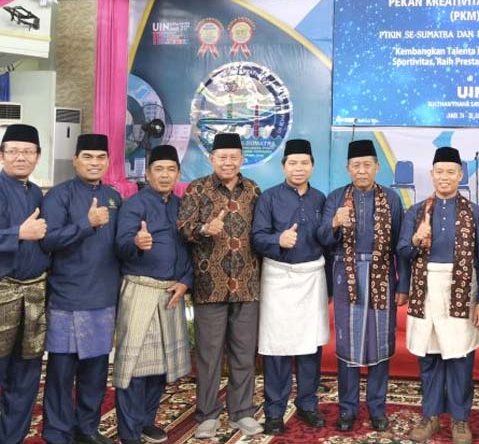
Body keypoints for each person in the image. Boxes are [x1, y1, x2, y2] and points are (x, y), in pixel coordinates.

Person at [398, 146, 479, 444]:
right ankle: (431, 416)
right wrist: (416, 239)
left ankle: (460, 420)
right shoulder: (416, 212)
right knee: (429, 356)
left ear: (461, 175)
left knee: (460, 357)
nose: (445, 177)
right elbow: (403, 252)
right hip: (426, 289)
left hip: (463, 290)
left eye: (451, 172)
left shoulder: (475, 213)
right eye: (440, 172)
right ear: (432, 174)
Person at [176, 133, 262, 439]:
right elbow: (183, 228)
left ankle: (242, 412)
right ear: (211, 159)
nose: (228, 162)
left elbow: (262, 233)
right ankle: (207, 413)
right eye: (222, 157)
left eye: (233, 157)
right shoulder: (197, 189)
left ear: (241, 159)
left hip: (247, 286)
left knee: (244, 354)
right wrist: (204, 228)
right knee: (209, 356)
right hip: (210, 287)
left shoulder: (253, 190)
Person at [319, 139, 407, 432]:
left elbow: (400, 246)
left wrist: (403, 285)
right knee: (348, 343)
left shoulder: (391, 199)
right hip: (346, 276)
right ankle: (348, 409)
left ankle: (377, 409)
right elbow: (322, 238)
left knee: (379, 343)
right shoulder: (336, 197)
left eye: (367, 165)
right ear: (348, 168)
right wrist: (334, 222)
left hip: (382, 276)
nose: (361, 170)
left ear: (377, 167)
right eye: (356, 165)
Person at [41, 134, 122, 444]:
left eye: (100, 157)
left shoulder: (114, 197)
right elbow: (48, 241)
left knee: (96, 371)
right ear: (75, 160)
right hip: (68, 297)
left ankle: (87, 429)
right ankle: (57, 432)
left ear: (108, 161)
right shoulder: (58, 196)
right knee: (61, 373)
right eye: (87, 156)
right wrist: (86, 224)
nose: (94, 163)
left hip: (103, 297)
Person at [251, 138, 333, 434]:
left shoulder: (321, 199)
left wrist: (331, 286)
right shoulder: (269, 198)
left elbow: (328, 242)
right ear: (283, 166)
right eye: (293, 163)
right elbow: (257, 237)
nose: (299, 168)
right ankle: (274, 410)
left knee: (310, 345)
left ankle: (307, 404)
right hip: (279, 278)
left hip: (312, 278)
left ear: (312, 166)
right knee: (277, 347)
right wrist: (278, 239)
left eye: (304, 163)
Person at [113, 145, 192, 444]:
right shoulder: (134, 205)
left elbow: (192, 249)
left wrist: (186, 281)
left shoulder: (182, 206)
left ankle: (147, 421)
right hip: (141, 289)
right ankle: (129, 431)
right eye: (159, 169)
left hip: (171, 292)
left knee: (160, 365)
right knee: (134, 365)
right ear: (148, 174)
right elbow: (120, 245)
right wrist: (137, 242)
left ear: (178, 174)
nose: (165, 175)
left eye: (171, 169)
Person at [0, 124, 49, 443]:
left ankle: (12, 438)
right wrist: (17, 233)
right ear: (1, 155)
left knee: (27, 372)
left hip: (33, 294)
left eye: (28, 151)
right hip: (3, 293)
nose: (21, 157)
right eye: (14, 151)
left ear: (38, 156)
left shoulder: (35, 192)